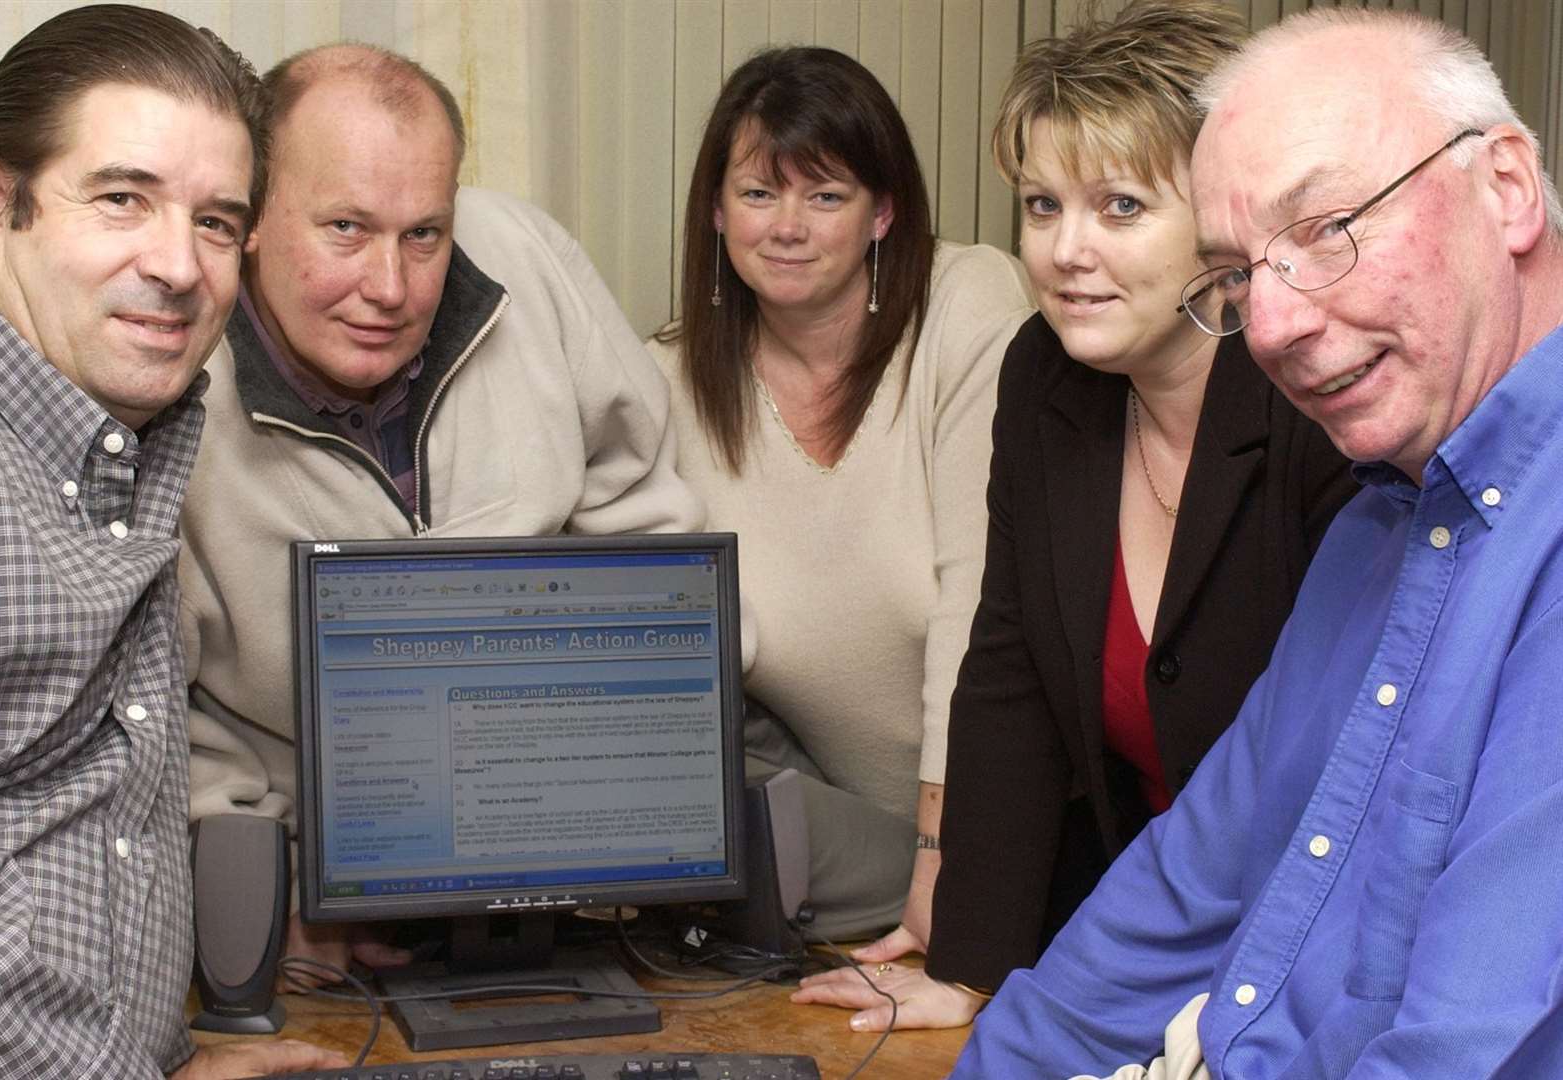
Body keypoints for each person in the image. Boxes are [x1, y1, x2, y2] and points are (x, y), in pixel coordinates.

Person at [955, 7, 1563, 1078]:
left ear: (1505, 188)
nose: (1269, 324)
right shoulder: (1385, 521)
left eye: (1325, 228)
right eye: (1238, 271)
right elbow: (1185, 892)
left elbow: (1469, 1046)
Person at [793, 0, 1356, 1031]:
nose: (1063, 251)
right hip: (1136, 920)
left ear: (1225, 219)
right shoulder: (1042, 372)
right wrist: (968, 964)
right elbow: (1008, 670)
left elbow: (1353, 757)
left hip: (1322, 947)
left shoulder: (1317, 403)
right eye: (1042, 206)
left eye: (1120, 207)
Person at [178, 44, 704, 970]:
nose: (390, 288)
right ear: (251, 213)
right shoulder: (168, 380)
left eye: (425, 234)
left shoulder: (530, 261)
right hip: (307, 870)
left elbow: (655, 535)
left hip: (571, 821)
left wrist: (625, 790)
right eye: (345, 227)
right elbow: (154, 711)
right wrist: (265, 885)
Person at [0, 6, 345, 1079]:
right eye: (122, 199)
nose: (179, 265)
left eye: (214, 221)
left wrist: (164, 1052)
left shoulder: (109, 437)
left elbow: (77, 832)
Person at [647, 46, 1031, 940]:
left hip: (1009, 813)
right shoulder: (664, 382)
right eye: (757, 193)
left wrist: (948, 867)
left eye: (825, 196)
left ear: (882, 211)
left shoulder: (967, 308)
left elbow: (980, 616)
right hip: (848, 840)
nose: (788, 226)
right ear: (715, 208)